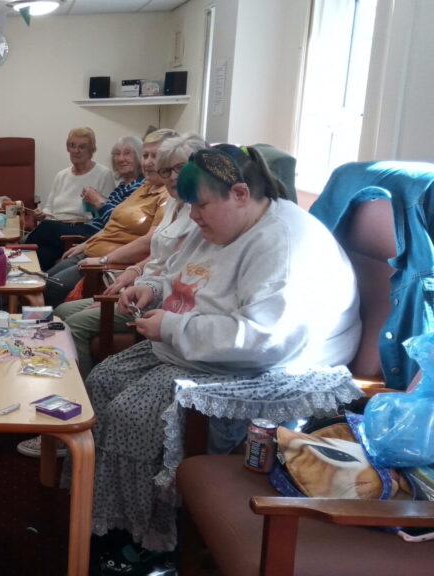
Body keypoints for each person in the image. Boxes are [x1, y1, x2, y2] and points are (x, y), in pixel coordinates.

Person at [85, 146, 361, 556]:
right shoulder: (222, 222)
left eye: (201, 206)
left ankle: (150, 540)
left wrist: (172, 325)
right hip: (199, 340)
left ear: (240, 193)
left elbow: (263, 339)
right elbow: (183, 276)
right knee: (102, 379)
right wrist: (153, 289)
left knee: (134, 414)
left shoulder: (283, 244)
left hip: (269, 365)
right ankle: (111, 513)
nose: (193, 217)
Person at [52, 133, 208, 379]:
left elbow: (174, 267)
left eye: (180, 168)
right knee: (61, 310)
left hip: (154, 298)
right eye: (166, 170)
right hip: (140, 285)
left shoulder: (200, 212)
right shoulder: (174, 204)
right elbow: (126, 232)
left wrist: (128, 274)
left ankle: (76, 393)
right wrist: (133, 273)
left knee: (71, 321)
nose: (173, 177)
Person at [43, 129, 178, 307]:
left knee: (48, 286)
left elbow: (150, 241)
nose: (148, 162)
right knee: (42, 279)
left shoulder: (166, 196)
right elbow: (114, 223)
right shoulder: (144, 186)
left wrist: (103, 260)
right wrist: (86, 244)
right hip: (91, 251)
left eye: (155, 156)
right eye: (145, 156)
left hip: (103, 263)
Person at [27, 131, 144, 269]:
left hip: (82, 231)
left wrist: (97, 202)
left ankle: (15, 254)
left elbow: (117, 223)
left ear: (92, 150)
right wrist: (42, 214)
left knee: (45, 229)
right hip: (78, 232)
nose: (76, 151)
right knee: (43, 254)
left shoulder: (125, 182)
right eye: (72, 146)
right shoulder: (122, 187)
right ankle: (20, 282)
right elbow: (50, 208)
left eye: (82, 147)